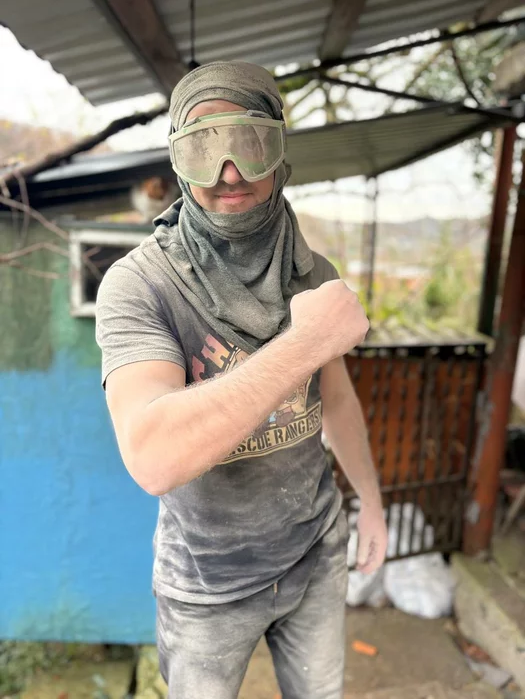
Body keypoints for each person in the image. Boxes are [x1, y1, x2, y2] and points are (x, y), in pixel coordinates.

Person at [96, 61, 388, 699]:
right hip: (206, 586)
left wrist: (370, 502)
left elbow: (336, 400)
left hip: (316, 550)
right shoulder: (141, 284)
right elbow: (153, 456)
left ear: (279, 153)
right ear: (178, 161)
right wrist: (303, 342)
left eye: (250, 142)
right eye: (204, 147)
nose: (229, 173)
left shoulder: (311, 270)